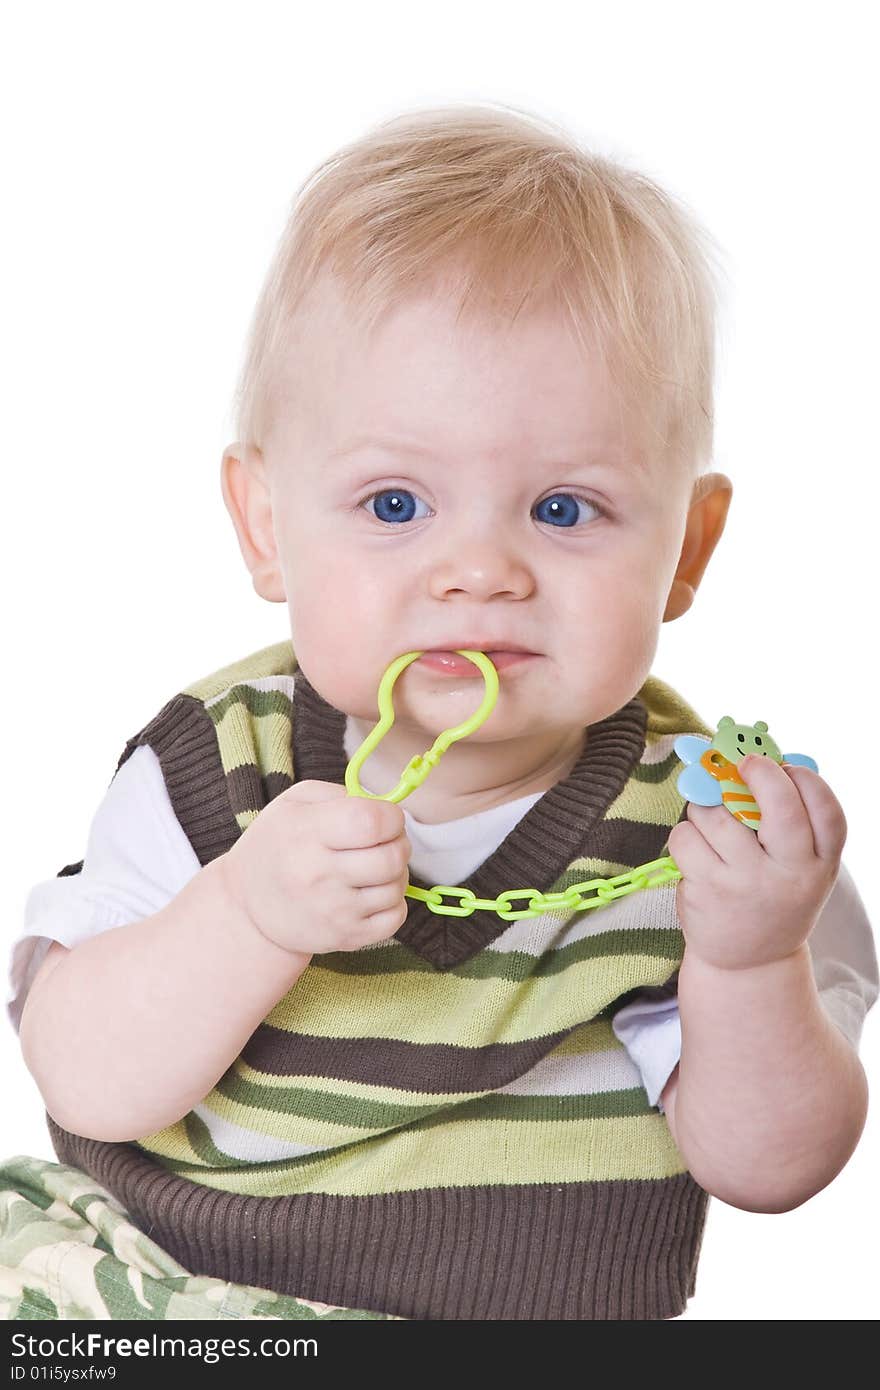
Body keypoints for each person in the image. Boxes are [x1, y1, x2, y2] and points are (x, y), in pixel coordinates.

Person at [2, 104, 877, 1322]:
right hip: (190, 1291)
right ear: (266, 524)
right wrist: (247, 914)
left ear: (690, 547)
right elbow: (84, 1074)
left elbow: (774, 1170)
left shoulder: (714, 832)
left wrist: (748, 955)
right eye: (397, 502)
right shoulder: (219, 762)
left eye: (563, 510)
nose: (479, 570)